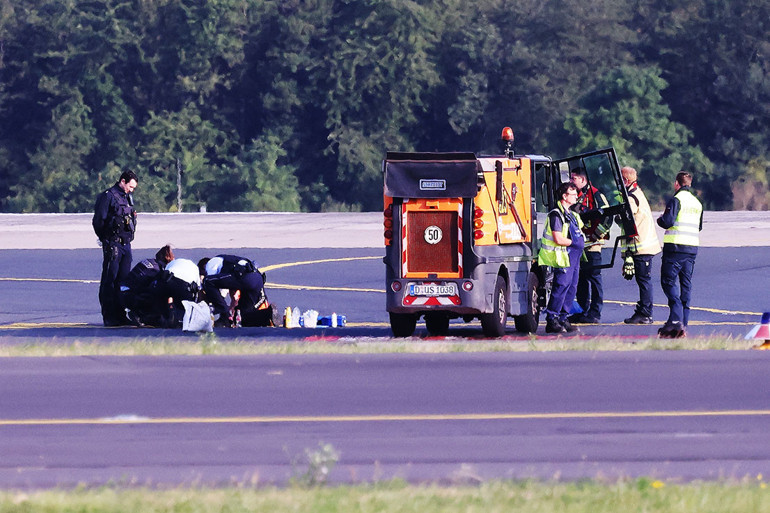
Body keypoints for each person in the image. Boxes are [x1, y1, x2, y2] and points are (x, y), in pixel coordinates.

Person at [656, 171, 703, 338]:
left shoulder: (677, 199)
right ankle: (682, 323)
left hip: (675, 248)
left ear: (677, 183)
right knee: (686, 286)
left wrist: (660, 219)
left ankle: (675, 318)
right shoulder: (697, 203)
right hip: (691, 249)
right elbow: (698, 227)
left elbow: (667, 221)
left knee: (668, 282)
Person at [92, 170, 138, 326]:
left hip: (126, 244)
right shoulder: (108, 196)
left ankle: (120, 314)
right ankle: (109, 315)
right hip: (113, 244)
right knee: (109, 281)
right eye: (130, 186)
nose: (131, 190)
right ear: (123, 181)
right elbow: (98, 221)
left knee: (123, 281)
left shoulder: (127, 198)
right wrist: (106, 240)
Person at [538, 182, 585, 334]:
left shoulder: (572, 214)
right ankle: (552, 319)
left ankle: (563, 318)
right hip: (563, 256)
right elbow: (558, 238)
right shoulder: (556, 214)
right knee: (561, 287)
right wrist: (574, 243)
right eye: (573, 194)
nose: (577, 196)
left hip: (574, 256)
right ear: (565, 196)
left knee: (572, 287)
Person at [568, 167, 611, 324]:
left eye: (574, 179)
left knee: (594, 278)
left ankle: (595, 312)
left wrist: (595, 235)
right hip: (579, 246)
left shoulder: (597, 195)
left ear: (583, 179)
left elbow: (608, 217)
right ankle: (582, 310)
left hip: (593, 246)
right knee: (580, 280)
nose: (571, 181)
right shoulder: (575, 196)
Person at [620, 167, 661, 325]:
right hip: (643, 247)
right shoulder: (637, 193)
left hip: (641, 247)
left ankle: (645, 313)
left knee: (644, 281)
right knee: (643, 280)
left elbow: (627, 220)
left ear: (626, 181)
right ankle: (644, 310)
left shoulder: (631, 197)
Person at [198, 255, 276, 327]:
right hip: (256, 279)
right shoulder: (228, 265)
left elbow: (218, 293)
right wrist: (232, 307)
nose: (202, 276)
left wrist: (223, 311)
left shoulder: (211, 264)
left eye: (202, 273)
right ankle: (268, 315)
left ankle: (224, 317)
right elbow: (233, 293)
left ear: (203, 267)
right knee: (243, 318)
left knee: (207, 281)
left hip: (245, 278)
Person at [119, 244, 175, 327]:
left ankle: (138, 312)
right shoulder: (156, 270)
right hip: (130, 295)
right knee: (159, 293)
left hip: (123, 291)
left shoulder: (149, 261)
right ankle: (139, 315)